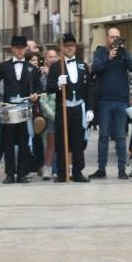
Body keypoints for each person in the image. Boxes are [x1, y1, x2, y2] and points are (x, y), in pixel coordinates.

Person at [0, 35, 38, 183]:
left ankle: (22, 173)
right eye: (17, 48)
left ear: (26, 49)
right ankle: (10, 174)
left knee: (24, 141)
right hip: (8, 109)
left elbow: (39, 88)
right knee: (8, 141)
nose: (20, 50)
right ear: (12, 49)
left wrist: (36, 96)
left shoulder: (31, 68)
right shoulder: (4, 66)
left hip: (24, 108)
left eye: (23, 48)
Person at [91, 27, 132, 178]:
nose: (114, 40)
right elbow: (94, 69)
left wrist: (124, 54)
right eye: (112, 37)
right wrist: (108, 58)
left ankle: (122, 169)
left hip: (121, 101)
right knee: (103, 135)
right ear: (107, 38)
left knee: (120, 136)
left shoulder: (124, 53)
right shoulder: (101, 52)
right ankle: (101, 169)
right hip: (105, 100)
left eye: (117, 37)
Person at [47, 33, 91, 182]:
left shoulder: (82, 65)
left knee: (78, 141)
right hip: (64, 108)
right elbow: (49, 88)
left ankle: (78, 172)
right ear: (62, 48)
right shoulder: (56, 66)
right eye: (66, 46)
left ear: (75, 47)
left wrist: (90, 109)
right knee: (62, 141)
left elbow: (88, 88)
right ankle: (61, 172)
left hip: (78, 107)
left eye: (72, 45)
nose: (69, 48)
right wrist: (58, 84)